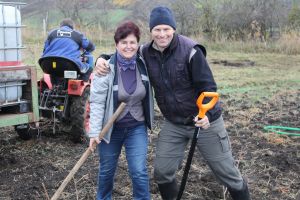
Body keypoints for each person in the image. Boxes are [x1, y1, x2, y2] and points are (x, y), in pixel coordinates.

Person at [94, 6, 250, 200]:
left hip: (204, 121)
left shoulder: (191, 51)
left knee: (227, 174)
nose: (162, 34)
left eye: (166, 29)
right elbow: (123, 52)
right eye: (157, 30)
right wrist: (102, 58)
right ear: (151, 31)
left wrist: (207, 116)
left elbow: (209, 88)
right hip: (174, 123)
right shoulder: (145, 52)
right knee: (162, 172)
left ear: (173, 29)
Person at [88, 21, 154, 200]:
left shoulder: (143, 64)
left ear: (138, 44)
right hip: (111, 130)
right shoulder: (106, 68)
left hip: (136, 127)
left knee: (139, 171)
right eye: (124, 42)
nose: (128, 46)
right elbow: (97, 102)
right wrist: (94, 132)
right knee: (106, 172)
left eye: (132, 42)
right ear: (116, 44)